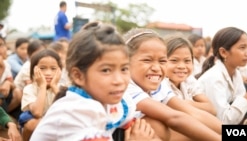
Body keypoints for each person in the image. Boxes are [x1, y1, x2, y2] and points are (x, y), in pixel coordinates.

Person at [30, 22, 160, 141]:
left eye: (124, 69)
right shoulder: (73, 113)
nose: (119, 80)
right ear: (78, 76)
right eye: (106, 70)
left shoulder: (113, 102)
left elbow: (132, 123)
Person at [123, 28, 221, 141]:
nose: (156, 68)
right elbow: (174, 118)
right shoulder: (126, 87)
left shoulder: (159, 85)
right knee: (155, 125)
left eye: (162, 61)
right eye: (147, 60)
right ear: (126, 61)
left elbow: (192, 113)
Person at [196, 27, 247, 124]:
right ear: (224, 52)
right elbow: (222, 122)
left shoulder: (236, 74)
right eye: (242, 48)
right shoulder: (213, 78)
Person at [18, 49, 62, 141]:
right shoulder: (30, 89)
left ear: (60, 71)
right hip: (36, 122)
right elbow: (37, 113)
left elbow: (67, 109)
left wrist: (54, 86)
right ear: (34, 70)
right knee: (32, 123)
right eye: (42, 68)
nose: (48, 73)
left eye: (53, 69)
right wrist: (42, 86)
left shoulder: (61, 89)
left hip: (55, 121)